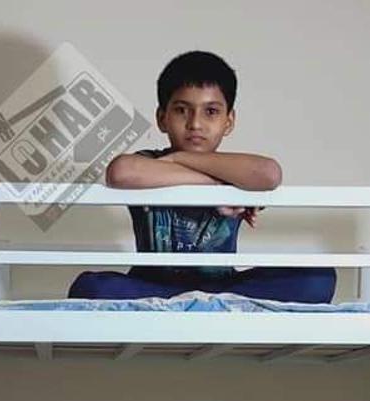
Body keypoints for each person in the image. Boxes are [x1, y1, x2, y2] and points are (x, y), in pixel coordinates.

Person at [68, 51, 337, 305]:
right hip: (153, 287)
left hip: (222, 288)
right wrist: (220, 185)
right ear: (162, 118)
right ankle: (205, 306)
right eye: (181, 110)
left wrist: (177, 159)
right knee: (91, 287)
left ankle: (204, 305)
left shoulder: (232, 168)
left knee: (317, 277)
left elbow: (269, 173)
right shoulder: (151, 162)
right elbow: (120, 171)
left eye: (211, 112)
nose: (195, 124)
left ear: (229, 121)